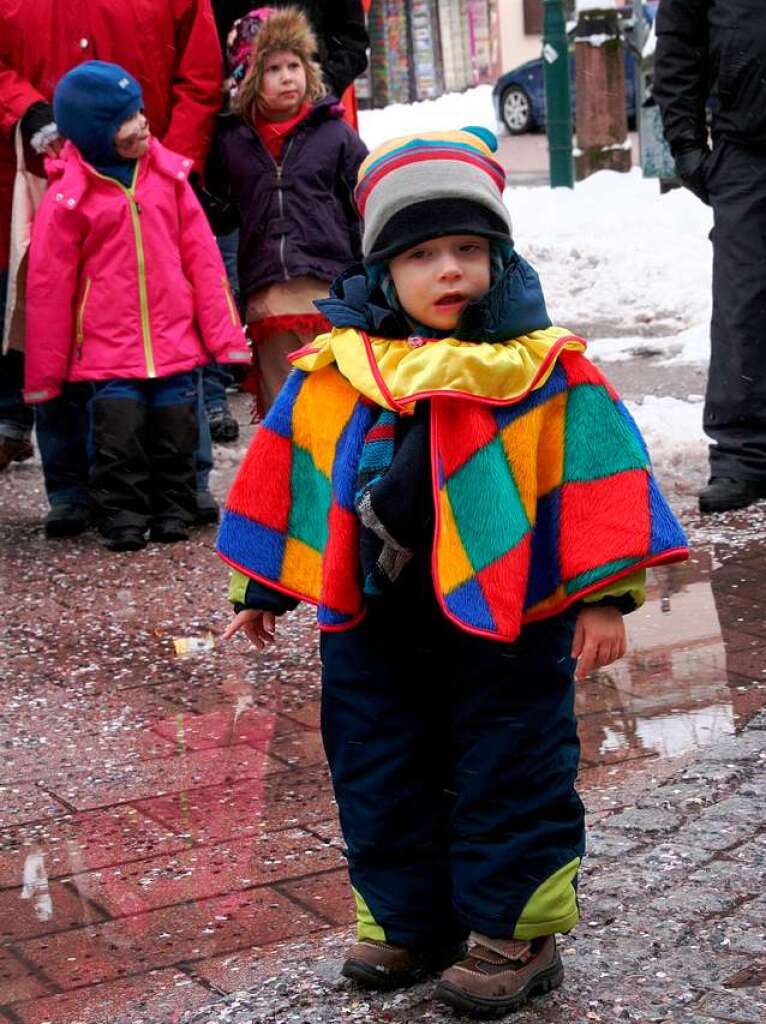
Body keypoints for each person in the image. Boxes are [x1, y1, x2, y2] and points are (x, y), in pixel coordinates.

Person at [215, 128, 689, 1015]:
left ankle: (517, 931)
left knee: (512, 764)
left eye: (469, 250)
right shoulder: (338, 371)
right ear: (382, 269)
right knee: (376, 762)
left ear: (498, 257)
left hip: (508, 621)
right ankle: (405, 920)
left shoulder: (546, 371)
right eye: (422, 253)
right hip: (373, 619)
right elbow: (291, 473)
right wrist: (263, 584)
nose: (448, 272)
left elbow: (597, 480)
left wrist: (603, 598)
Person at [0, 0, 225, 533]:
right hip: (40, 179)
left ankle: (182, 479)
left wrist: (176, 168)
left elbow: (199, 75)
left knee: (168, 332)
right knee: (54, 324)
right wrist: (24, 107)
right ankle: (73, 484)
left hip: (150, 181)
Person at [208, 6, 367, 415]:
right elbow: (221, 210)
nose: (287, 76)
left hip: (326, 292)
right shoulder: (233, 142)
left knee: (335, 406)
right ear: (248, 79)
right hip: (268, 296)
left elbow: (363, 201)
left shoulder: (334, 134)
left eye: (295, 64)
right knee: (285, 411)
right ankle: (289, 475)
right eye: (272, 68)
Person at [653, 0, 766, 514]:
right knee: (742, 305)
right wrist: (687, 146)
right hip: (747, 150)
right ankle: (742, 457)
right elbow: (678, 46)